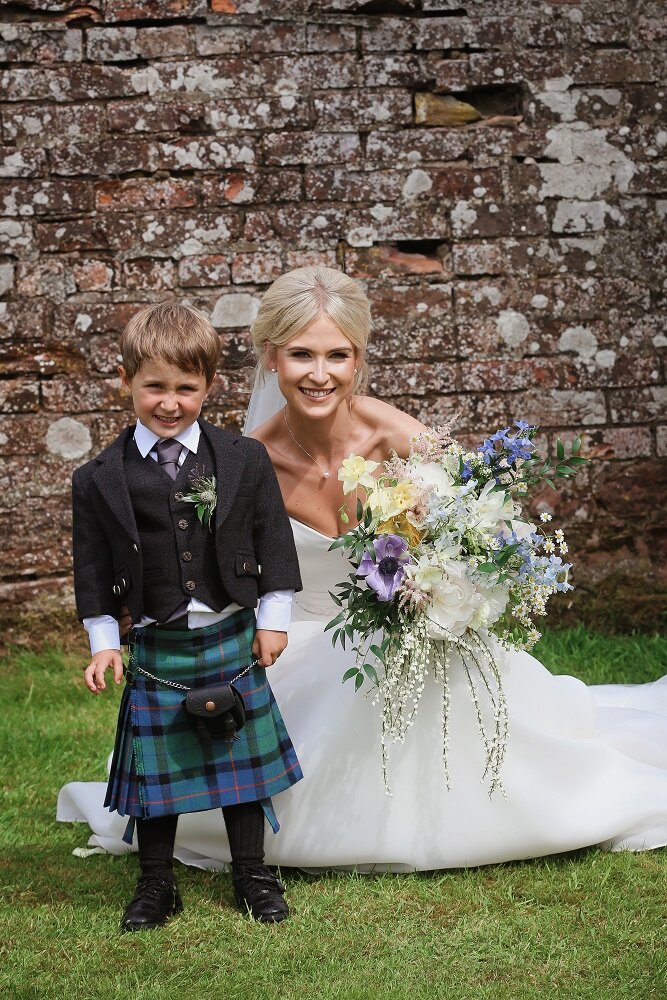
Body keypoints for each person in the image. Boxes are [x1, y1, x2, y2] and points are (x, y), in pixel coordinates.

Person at [60, 268, 667, 871]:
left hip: (412, 626)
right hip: (295, 640)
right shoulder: (243, 461)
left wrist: (446, 580)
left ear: (358, 360)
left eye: (337, 355)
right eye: (301, 354)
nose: (319, 374)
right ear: (272, 359)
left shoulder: (395, 435)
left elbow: (485, 518)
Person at [69, 301, 303, 929]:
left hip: (229, 630)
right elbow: (90, 569)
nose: (169, 402)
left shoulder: (243, 458)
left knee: (241, 772)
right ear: (126, 381)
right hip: (157, 639)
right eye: (154, 387)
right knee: (158, 776)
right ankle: (156, 883)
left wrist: (273, 618)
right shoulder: (97, 479)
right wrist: (103, 643)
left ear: (209, 387)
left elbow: (272, 539)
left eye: (185, 388)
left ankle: (252, 875)